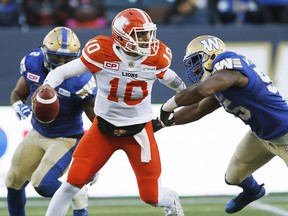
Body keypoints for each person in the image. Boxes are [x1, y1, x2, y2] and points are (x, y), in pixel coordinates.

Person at [37, 8, 186, 216]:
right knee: (71, 184)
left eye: (148, 33)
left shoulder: (156, 56)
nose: (147, 40)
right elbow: (62, 71)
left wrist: (184, 93)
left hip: (138, 134)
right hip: (102, 130)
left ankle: (171, 201)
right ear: (122, 35)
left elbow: (170, 77)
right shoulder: (101, 51)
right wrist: (47, 86)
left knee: (152, 196)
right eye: (140, 34)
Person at [160, 35, 288, 214]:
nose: (194, 69)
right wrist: (162, 123)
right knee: (233, 177)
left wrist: (168, 106)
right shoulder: (221, 81)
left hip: (286, 134)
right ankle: (253, 191)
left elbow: (204, 90)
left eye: (197, 60)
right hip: (260, 136)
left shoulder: (227, 63)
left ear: (212, 55)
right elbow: (198, 109)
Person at [6, 26, 98, 216]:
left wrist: (95, 158)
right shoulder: (33, 62)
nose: (63, 63)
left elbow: (97, 121)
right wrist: (17, 105)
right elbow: (18, 93)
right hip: (37, 133)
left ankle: (76, 192)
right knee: (13, 181)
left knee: (44, 184)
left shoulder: (80, 80)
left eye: (68, 58)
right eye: (57, 57)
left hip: (66, 139)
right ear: (45, 53)